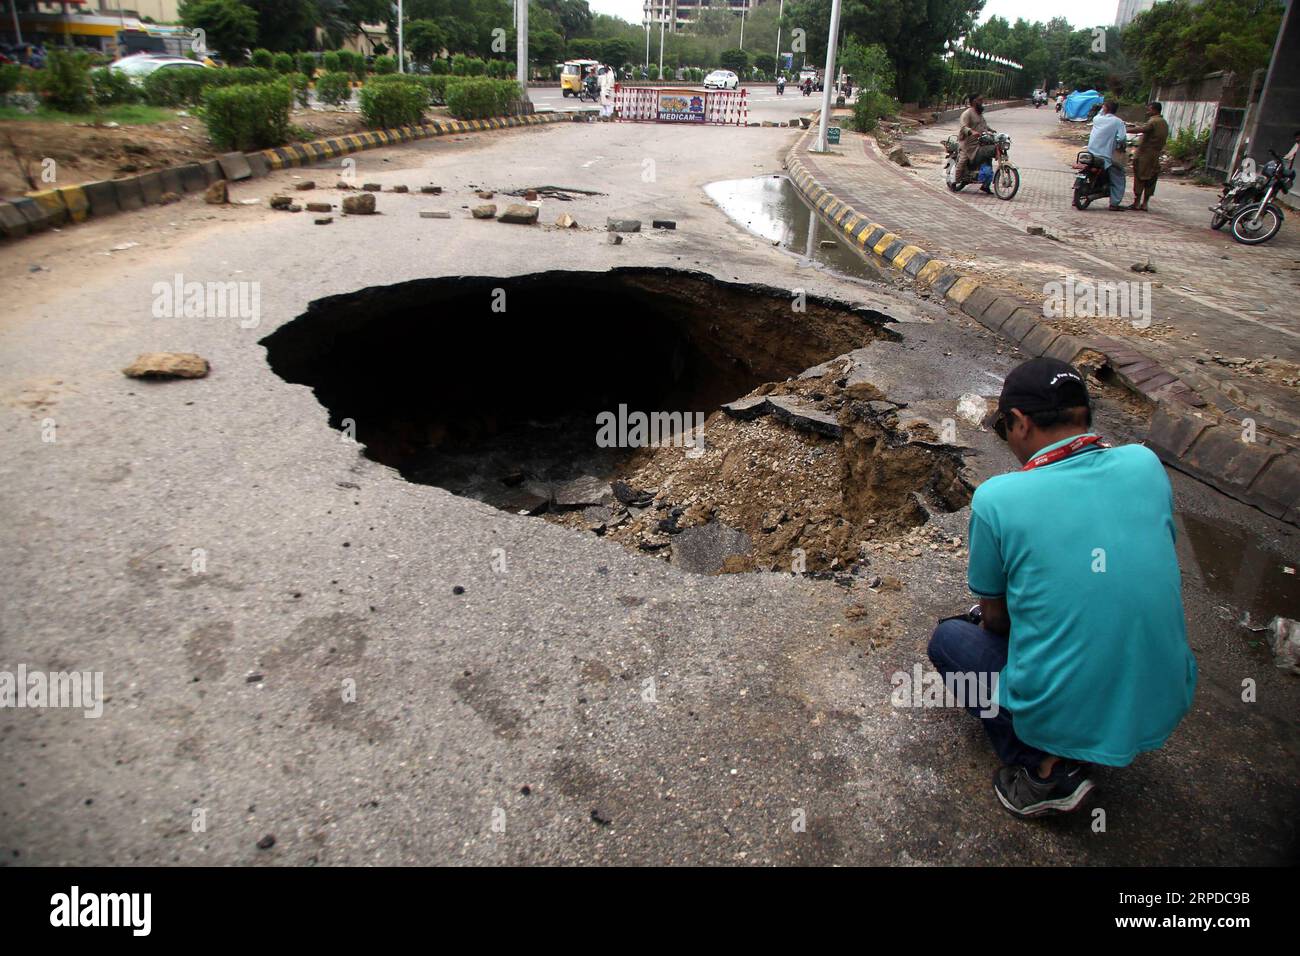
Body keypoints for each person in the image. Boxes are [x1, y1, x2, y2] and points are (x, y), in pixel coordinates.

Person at [927, 357, 1197, 818]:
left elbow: (996, 619)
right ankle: (1095, 720)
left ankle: (1044, 771)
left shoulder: (999, 498)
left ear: (1021, 423)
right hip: (1166, 695)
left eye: (1003, 428)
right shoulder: (1146, 465)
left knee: (951, 640)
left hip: (1070, 703)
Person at [1126, 101, 1169, 210]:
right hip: (1155, 155)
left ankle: (1136, 202)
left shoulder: (1153, 121)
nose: (1147, 111)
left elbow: (1143, 129)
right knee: (1151, 178)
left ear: (1154, 110)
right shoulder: (1164, 122)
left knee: (1140, 177)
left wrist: (1125, 130)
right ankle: (1145, 203)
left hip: (1145, 154)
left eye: (1149, 109)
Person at [1087, 99, 1128, 211]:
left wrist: (1103, 108)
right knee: (1119, 176)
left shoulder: (1097, 119)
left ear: (1104, 108)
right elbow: (1122, 138)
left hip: (1090, 153)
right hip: (1105, 156)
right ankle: (1114, 204)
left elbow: (1100, 113)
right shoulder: (1118, 122)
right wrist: (1121, 146)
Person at [957, 93, 992, 192]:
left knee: (988, 158)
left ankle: (985, 185)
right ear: (974, 101)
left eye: (982, 100)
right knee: (963, 160)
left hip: (980, 142)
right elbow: (963, 127)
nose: (982, 102)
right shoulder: (967, 113)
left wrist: (990, 130)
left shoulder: (979, 113)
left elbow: (984, 125)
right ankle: (956, 180)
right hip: (968, 143)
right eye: (980, 100)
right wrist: (972, 132)